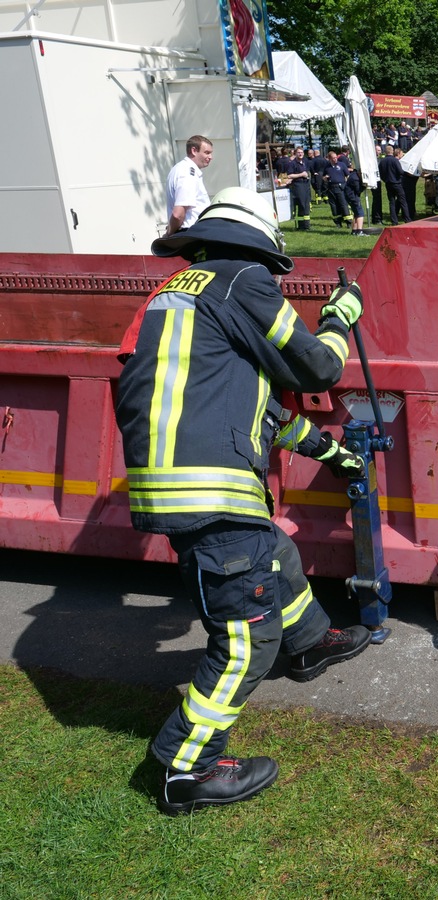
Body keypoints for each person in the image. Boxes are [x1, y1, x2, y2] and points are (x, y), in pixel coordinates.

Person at [115, 186, 373, 814]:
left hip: (183, 482)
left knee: (274, 555)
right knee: (244, 636)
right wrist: (342, 313)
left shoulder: (182, 296)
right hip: (210, 486)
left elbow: (256, 414)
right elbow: (317, 368)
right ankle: (188, 766)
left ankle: (310, 642)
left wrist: (334, 455)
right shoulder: (241, 283)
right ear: (258, 249)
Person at [165, 135, 213, 236]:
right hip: (191, 234)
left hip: (191, 234)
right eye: (207, 153)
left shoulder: (181, 169)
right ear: (194, 150)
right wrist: (168, 234)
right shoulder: (187, 173)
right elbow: (178, 214)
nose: (210, 157)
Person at [281, 146, 312, 231]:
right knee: (301, 204)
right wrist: (301, 174)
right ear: (295, 153)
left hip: (306, 184)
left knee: (306, 204)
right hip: (298, 185)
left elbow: (307, 171)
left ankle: (307, 225)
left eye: (301, 152)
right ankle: (301, 225)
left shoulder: (305, 162)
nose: (300, 154)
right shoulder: (292, 163)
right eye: (298, 152)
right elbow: (289, 175)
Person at [378, 144, 409, 225]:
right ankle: (407, 219)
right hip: (397, 183)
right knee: (402, 201)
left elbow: (380, 173)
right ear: (392, 151)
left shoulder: (382, 161)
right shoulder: (395, 161)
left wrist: (385, 180)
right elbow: (400, 171)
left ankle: (394, 221)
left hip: (388, 183)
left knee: (391, 202)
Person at [322, 150, 350, 227]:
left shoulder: (342, 165)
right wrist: (325, 178)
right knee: (334, 207)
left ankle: (348, 222)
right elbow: (323, 177)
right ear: (329, 159)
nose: (335, 159)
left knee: (343, 205)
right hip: (331, 188)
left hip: (340, 187)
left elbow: (347, 175)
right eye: (333, 158)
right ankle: (338, 223)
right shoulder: (327, 167)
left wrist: (347, 185)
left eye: (335, 157)